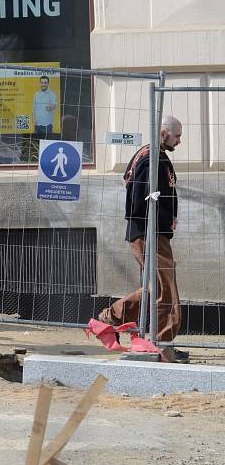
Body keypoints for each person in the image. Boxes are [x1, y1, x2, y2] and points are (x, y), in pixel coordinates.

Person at [97, 115, 184, 360]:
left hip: (150, 232)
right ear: (164, 132)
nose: (179, 141)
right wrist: (161, 221)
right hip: (150, 233)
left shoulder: (149, 155)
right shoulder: (150, 158)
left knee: (155, 287)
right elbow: (140, 200)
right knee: (165, 290)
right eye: (177, 136)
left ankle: (108, 319)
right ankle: (162, 343)